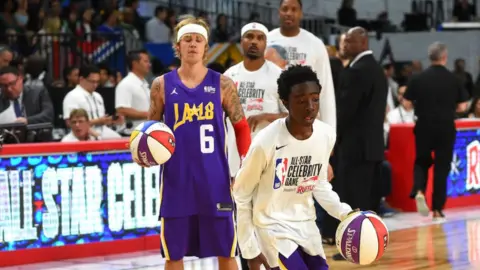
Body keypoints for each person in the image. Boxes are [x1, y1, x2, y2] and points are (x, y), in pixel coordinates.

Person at [134, 16, 250, 270]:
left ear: (206, 47)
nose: (193, 44)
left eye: (199, 40)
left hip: (216, 181)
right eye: (187, 39)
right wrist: (142, 154)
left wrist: (244, 167)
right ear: (177, 46)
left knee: (226, 251)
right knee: (173, 254)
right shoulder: (161, 85)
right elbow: (150, 132)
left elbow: (242, 128)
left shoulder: (223, 84)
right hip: (177, 182)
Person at [233, 65, 354, 270]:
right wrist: (249, 249)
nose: (310, 106)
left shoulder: (326, 134)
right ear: (285, 102)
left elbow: (319, 184)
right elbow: (241, 194)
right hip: (272, 230)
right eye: (301, 100)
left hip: (306, 226)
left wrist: (345, 213)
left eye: (315, 99)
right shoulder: (265, 141)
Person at [322, 27, 388, 261]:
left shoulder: (356, 71)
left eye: (349, 41)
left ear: (362, 41)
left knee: (352, 198)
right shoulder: (377, 69)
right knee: (368, 199)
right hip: (372, 146)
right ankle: (372, 246)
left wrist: (328, 137)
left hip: (354, 147)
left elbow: (344, 113)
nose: (344, 45)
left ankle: (354, 247)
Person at [404, 42, 469, 221]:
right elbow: (463, 106)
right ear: (444, 57)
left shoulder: (418, 78)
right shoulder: (454, 79)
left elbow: (407, 103)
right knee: (442, 167)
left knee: (422, 161)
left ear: (429, 56)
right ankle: (438, 209)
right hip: (446, 127)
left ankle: (418, 189)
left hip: (424, 126)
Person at [224, 22, 287, 178]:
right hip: (235, 160)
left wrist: (266, 117)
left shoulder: (279, 76)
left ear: (265, 43)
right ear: (241, 42)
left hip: (270, 158)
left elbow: (293, 116)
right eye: (249, 37)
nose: (254, 41)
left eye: (260, 38)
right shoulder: (228, 76)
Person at [267, 0, 336, 129]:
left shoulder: (315, 44)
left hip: (307, 121)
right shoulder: (266, 40)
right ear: (278, 12)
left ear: (301, 14)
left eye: (294, 9)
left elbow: (326, 90)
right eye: (285, 9)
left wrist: (330, 131)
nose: (289, 13)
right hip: (271, 121)